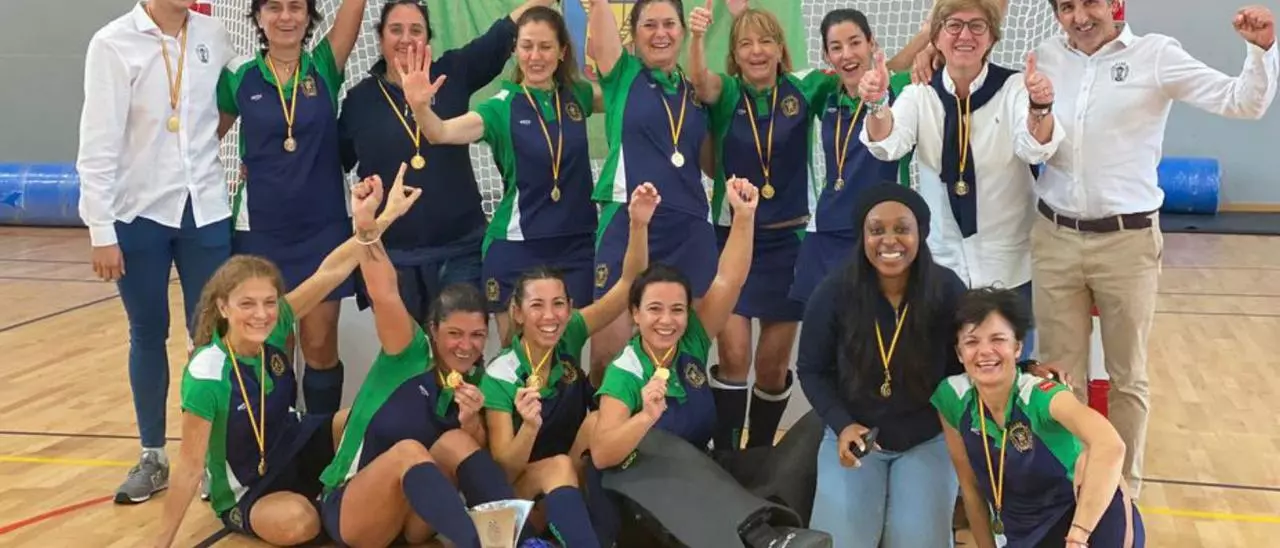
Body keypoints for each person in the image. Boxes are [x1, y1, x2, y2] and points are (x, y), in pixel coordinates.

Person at [1028, 1, 1276, 497]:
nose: (1080, 16)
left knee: (1127, 378)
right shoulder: (1045, 57)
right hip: (1055, 236)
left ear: (1113, 4)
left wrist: (1262, 50)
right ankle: (1064, 494)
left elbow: (1243, 102)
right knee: (1056, 379)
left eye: (1090, 2)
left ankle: (1121, 497)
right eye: (1067, 6)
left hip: (1129, 242)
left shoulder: (1156, 55)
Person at [318, 180, 599, 547]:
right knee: (408, 452)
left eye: (477, 335)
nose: (466, 346)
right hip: (353, 510)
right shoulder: (409, 353)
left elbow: (478, 468)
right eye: (454, 334)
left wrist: (470, 423)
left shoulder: (478, 381)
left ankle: (522, 541)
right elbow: (384, 291)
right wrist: (369, 224)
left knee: (455, 440)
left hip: (412, 522)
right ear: (433, 330)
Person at [151, 169, 421, 547]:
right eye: (247, 304)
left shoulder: (275, 325)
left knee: (374, 419)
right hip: (249, 489)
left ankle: (352, 505)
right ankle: (346, 508)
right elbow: (190, 468)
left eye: (268, 302)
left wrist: (383, 216)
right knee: (298, 522)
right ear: (223, 307)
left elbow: (332, 270)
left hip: (295, 444)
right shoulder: (207, 374)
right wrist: (159, 543)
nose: (261, 314)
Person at [77, 0, 236, 503]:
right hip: (138, 213)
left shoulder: (214, 33)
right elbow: (97, 143)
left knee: (211, 339)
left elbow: (236, 96)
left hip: (204, 209)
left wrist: (203, 144)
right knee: (147, 332)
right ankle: (153, 456)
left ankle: (211, 458)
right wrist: (101, 229)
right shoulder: (112, 44)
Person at [860, 0, 1064, 362]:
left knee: (1008, 370)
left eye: (977, 26)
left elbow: (1035, 148)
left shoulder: (1014, 88)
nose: (964, 35)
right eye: (953, 26)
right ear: (936, 38)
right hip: (944, 264)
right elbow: (887, 144)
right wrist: (877, 104)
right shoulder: (920, 93)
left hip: (1007, 264)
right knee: (945, 370)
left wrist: (1040, 107)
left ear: (992, 37)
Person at [337, 0, 556, 327]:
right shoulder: (359, 100)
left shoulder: (451, 73)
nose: (406, 39)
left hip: (461, 250)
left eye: (416, 30)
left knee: (460, 344)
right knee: (408, 353)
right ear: (380, 38)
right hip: (394, 257)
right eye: (396, 30)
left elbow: (503, 33)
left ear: (428, 39)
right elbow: (335, 161)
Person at [683, 1, 832, 452]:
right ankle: (729, 456)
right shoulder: (728, 92)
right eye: (746, 43)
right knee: (733, 355)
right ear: (734, 54)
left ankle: (761, 454)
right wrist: (696, 37)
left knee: (771, 365)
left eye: (766, 41)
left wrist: (924, 45)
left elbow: (857, 74)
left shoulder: (804, 87)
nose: (757, 51)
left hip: (790, 240)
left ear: (781, 48)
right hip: (732, 239)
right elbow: (699, 81)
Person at [405, 6, 602, 345]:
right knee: (518, 359)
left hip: (576, 246)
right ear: (515, 50)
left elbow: (623, 94)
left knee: (566, 355)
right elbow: (440, 132)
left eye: (545, 47)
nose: (535, 56)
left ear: (562, 52)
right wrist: (420, 107)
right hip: (517, 248)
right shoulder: (500, 107)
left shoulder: (577, 97)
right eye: (526, 46)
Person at [795, 183, 967, 547]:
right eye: (877, 230)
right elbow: (811, 369)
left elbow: (972, 358)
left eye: (902, 228)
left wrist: (1028, 367)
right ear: (863, 236)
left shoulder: (947, 289)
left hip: (927, 438)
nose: (889, 240)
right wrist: (842, 424)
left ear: (921, 233)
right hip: (855, 436)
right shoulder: (833, 291)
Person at [216, 0, 366, 415]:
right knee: (273, 345)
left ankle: (319, 442)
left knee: (319, 343)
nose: (286, 17)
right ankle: (277, 440)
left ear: (309, 15)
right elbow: (202, 141)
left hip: (323, 229)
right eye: (275, 7)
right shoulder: (239, 74)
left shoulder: (325, 65)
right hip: (260, 232)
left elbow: (354, 8)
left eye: (296, 7)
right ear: (258, 17)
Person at [932, 287, 1144, 547]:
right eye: (972, 342)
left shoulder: (1040, 395)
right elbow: (971, 489)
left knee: (1091, 464)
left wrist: (1078, 535)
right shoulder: (952, 397)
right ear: (959, 353)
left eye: (998, 339)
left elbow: (1111, 445)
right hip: (1027, 536)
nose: (985, 351)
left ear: (1018, 347)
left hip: (1082, 520)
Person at [481, 184, 655, 485]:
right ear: (518, 313)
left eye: (558, 304)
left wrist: (638, 226)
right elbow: (505, 472)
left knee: (598, 423)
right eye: (537, 305)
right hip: (523, 487)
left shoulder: (569, 330)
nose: (550, 316)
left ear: (570, 306)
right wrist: (530, 426)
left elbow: (630, 283)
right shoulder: (500, 375)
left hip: (567, 474)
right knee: (560, 466)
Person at [584, 0, 717, 385]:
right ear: (634, 33)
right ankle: (601, 425)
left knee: (685, 354)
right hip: (627, 223)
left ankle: (681, 422)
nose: (661, 33)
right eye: (649, 25)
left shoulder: (696, 90)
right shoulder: (622, 73)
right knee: (606, 355)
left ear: (683, 31)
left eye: (669, 24)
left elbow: (711, 164)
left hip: (689, 228)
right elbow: (600, 14)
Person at [590, 176, 756, 468]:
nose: (667, 320)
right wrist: (645, 417)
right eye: (655, 309)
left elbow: (729, 280)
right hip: (639, 484)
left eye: (677, 309)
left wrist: (743, 216)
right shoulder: (625, 371)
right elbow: (602, 455)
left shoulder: (691, 340)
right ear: (635, 313)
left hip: (692, 473)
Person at [789, 8, 916, 311]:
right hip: (827, 231)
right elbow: (766, 75)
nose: (846, 54)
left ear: (872, 43)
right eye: (836, 47)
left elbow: (893, 71)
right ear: (826, 55)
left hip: (881, 230)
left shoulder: (900, 87)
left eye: (855, 42)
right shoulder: (825, 89)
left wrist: (925, 38)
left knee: (879, 325)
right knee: (824, 327)